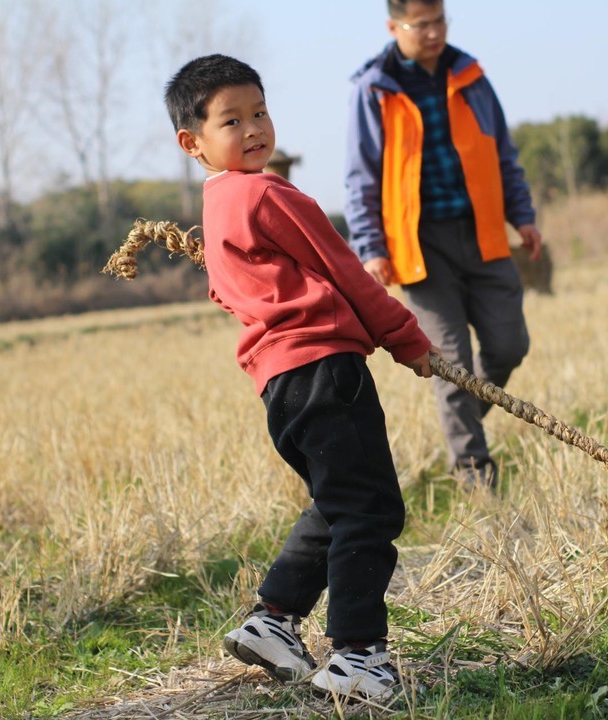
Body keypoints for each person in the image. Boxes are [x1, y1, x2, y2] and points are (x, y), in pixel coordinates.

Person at [163, 54, 436, 700]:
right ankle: (357, 656)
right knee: (369, 509)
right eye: (232, 120)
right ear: (192, 142)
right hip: (325, 371)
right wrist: (405, 338)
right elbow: (345, 270)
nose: (254, 128)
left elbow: (228, 295)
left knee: (339, 503)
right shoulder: (268, 194)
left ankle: (274, 620)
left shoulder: (219, 204)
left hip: (281, 388)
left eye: (260, 112)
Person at [344, 0, 542, 490]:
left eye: (440, 21)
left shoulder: (470, 75)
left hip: (483, 231)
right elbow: (360, 176)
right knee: (449, 363)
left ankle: (462, 424)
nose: (433, 33)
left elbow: (502, 153)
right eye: (421, 25)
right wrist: (371, 246)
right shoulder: (373, 89)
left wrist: (524, 215)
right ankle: (475, 474)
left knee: (509, 344)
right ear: (394, 27)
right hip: (420, 243)